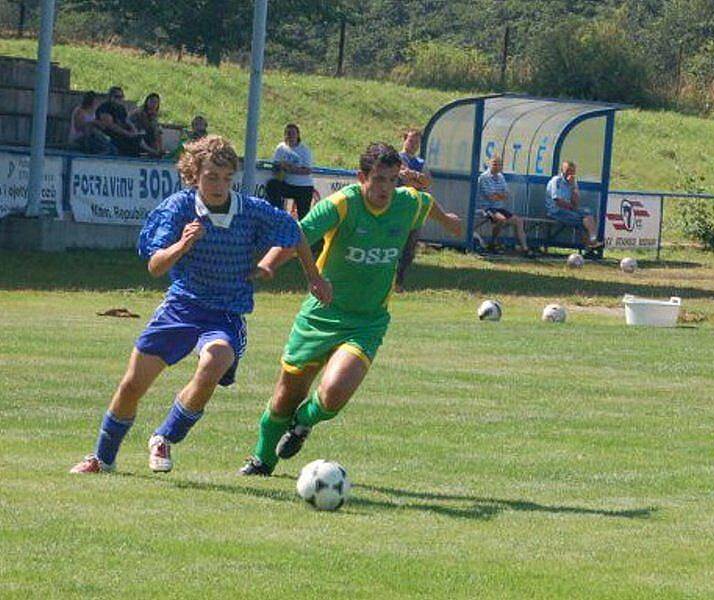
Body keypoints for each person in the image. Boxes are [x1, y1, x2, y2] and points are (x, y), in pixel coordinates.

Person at [69, 135, 331, 475]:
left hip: (225, 312)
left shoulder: (249, 210)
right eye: (211, 177)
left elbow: (293, 232)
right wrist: (182, 244)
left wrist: (310, 276)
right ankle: (102, 458)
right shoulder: (178, 207)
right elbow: (155, 266)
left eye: (226, 178)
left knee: (217, 359)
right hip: (182, 306)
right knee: (133, 384)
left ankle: (164, 437)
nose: (219, 185)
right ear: (194, 175)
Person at [238, 142, 461, 477]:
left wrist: (451, 223)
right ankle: (262, 460)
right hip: (320, 316)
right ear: (361, 177)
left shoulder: (408, 202)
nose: (386, 188)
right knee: (285, 397)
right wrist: (268, 266)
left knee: (334, 393)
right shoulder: (343, 204)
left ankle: (302, 422)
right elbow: (297, 234)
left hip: (367, 321)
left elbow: (432, 208)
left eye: (392, 179)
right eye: (379, 179)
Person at [394, 127, 433, 293]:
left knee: (409, 249)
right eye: (411, 140)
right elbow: (403, 179)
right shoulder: (395, 158)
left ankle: (399, 282)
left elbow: (426, 182)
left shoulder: (421, 162)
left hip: (415, 211)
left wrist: (414, 176)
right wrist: (416, 180)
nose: (414, 144)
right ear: (404, 140)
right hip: (397, 207)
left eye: (417, 142)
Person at [476, 155, 531, 255]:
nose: (497, 166)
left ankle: (525, 248)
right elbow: (490, 197)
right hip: (486, 208)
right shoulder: (484, 177)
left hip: (498, 207)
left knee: (518, 221)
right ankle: (493, 243)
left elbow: (506, 194)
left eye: (499, 164)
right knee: (501, 219)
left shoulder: (501, 177)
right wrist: (499, 195)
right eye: (494, 164)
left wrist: (498, 195)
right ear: (489, 164)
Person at [545, 161, 602, 248]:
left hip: (568, 209)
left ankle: (592, 239)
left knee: (589, 213)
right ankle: (589, 244)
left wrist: (573, 187)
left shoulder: (573, 183)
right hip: (556, 211)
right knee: (581, 220)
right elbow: (557, 201)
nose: (570, 173)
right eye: (568, 170)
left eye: (572, 171)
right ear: (562, 170)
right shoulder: (556, 181)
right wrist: (573, 208)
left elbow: (576, 202)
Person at [265, 123, 315, 221]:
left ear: (298, 135)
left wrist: (291, 169)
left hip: (303, 187)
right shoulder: (281, 148)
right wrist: (279, 167)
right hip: (288, 184)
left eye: (293, 133)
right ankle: (278, 214)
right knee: (272, 185)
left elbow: (308, 170)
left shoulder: (304, 150)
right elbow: (275, 164)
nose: (290, 136)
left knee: (303, 217)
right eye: (288, 133)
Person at [95, 86, 145, 157]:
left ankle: (152, 152)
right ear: (110, 97)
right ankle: (152, 152)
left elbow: (127, 121)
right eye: (117, 96)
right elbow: (110, 125)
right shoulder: (104, 108)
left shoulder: (121, 108)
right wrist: (127, 133)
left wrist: (134, 130)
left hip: (121, 134)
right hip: (109, 135)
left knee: (137, 139)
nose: (120, 99)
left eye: (121, 96)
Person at [129, 92, 164, 158]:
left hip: (147, 135)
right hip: (135, 134)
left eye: (156, 102)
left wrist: (160, 147)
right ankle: (152, 152)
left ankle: (158, 152)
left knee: (157, 133)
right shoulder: (139, 113)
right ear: (147, 102)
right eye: (152, 101)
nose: (154, 104)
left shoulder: (154, 115)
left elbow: (157, 130)